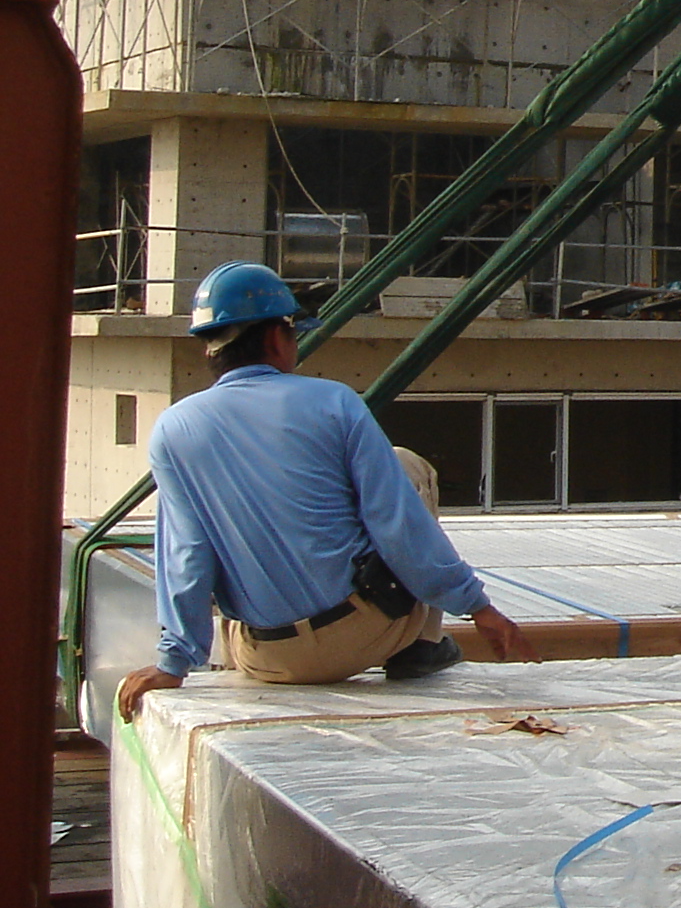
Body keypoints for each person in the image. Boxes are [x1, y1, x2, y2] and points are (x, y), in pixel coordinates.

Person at [116, 262, 537, 722]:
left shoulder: (173, 429)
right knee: (405, 466)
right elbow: (398, 526)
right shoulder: (334, 403)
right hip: (359, 640)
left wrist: (172, 663)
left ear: (210, 350)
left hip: (263, 658)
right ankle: (421, 645)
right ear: (277, 338)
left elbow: (186, 553)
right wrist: (478, 607)